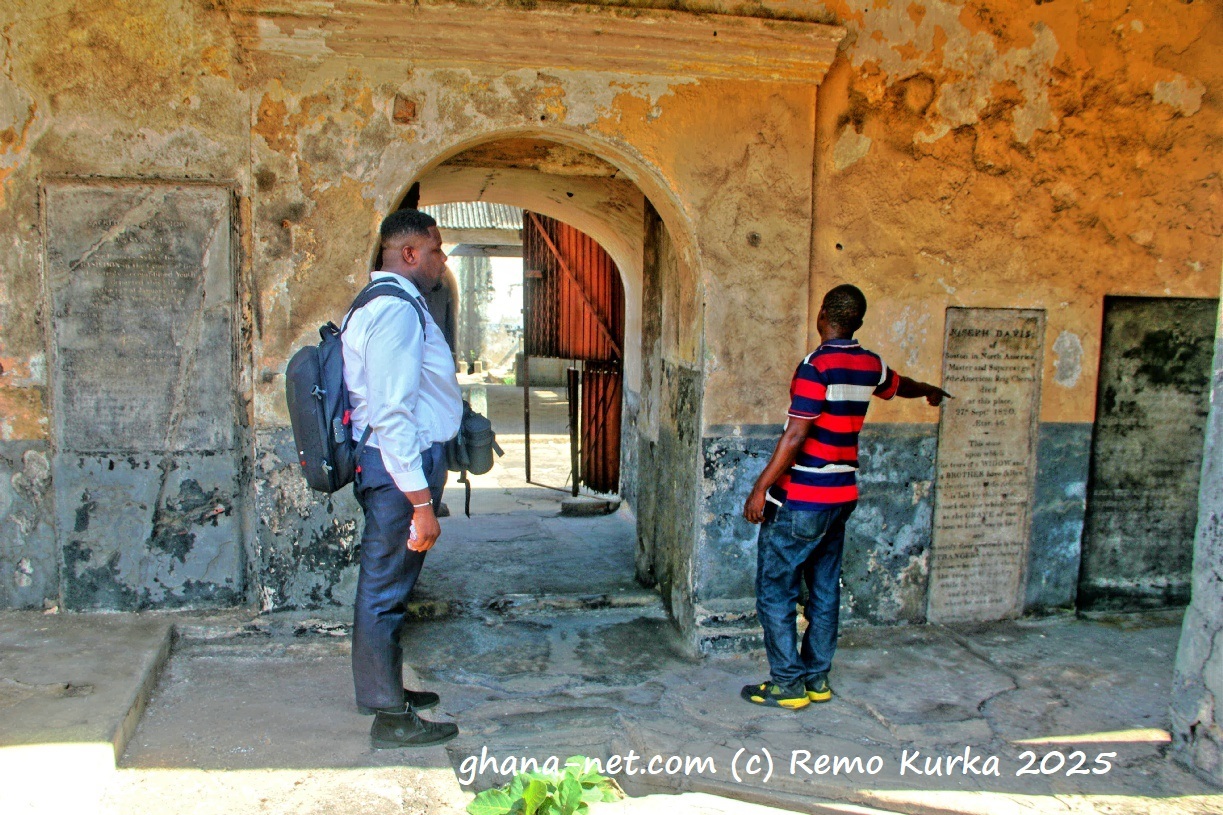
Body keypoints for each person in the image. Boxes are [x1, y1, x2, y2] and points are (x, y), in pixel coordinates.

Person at [740, 284, 949, 710]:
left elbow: (797, 432)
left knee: (776, 591)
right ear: (856, 320)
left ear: (822, 314)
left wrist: (761, 487)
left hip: (801, 498)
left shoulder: (815, 365)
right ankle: (817, 679)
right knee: (823, 590)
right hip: (841, 498)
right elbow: (900, 384)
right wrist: (929, 387)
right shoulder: (869, 364)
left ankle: (787, 684)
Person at [343, 209, 463, 747]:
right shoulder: (394, 310)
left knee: (392, 585)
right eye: (436, 250)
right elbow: (392, 413)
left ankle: (387, 689)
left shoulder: (393, 303)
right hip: (398, 474)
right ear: (409, 253)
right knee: (385, 591)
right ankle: (389, 717)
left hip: (397, 468)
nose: (442, 260)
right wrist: (419, 501)